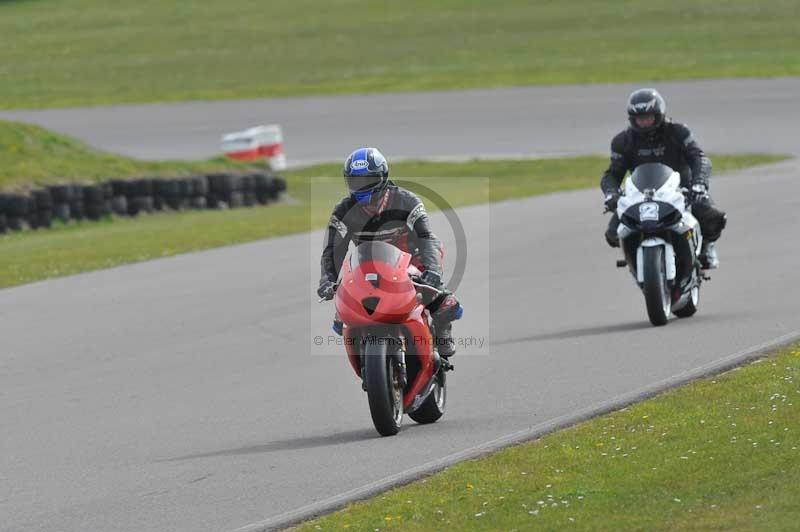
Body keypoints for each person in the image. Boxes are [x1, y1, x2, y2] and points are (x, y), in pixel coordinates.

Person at [317, 147, 462, 358]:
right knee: (341, 320)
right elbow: (333, 249)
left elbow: (426, 237)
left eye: (368, 180)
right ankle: (365, 356)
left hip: (413, 260)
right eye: (356, 182)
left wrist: (432, 270)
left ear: (383, 177)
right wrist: (327, 279)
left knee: (445, 303)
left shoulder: (407, 201)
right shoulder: (343, 210)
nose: (362, 187)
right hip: (370, 266)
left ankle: (442, 332)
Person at [601, 88, 727, 268]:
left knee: (711, 217)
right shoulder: (622, 142)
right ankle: (634, 257)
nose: (644, 123)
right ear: (632, 119)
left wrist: (699, 183)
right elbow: (613, 173)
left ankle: (706, 246)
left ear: (659, 114)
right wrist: (611, 193)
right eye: (639, 119)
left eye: (648, 118)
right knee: (613, 233)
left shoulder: (678, 132)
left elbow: (699, 158)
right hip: (640, 194)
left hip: (680, 190)